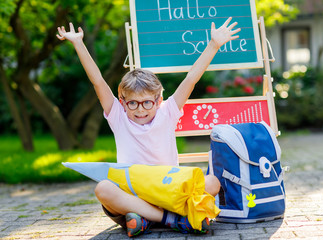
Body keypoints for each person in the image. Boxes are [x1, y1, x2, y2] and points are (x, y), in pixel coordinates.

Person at [57, 17, 240, 237]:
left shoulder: (168, 111)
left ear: (159, 99)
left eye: (147, 103)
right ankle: (173, 219)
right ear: (122, 101)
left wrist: (213, 45)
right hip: (134, 194)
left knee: (211, 182)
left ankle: (143, 219)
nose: (140, 109)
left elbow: (191, 79)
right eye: (132, 102)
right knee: (103, 189)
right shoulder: (118, 115)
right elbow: (97, 81)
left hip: (170, 190)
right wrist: (78, 43)